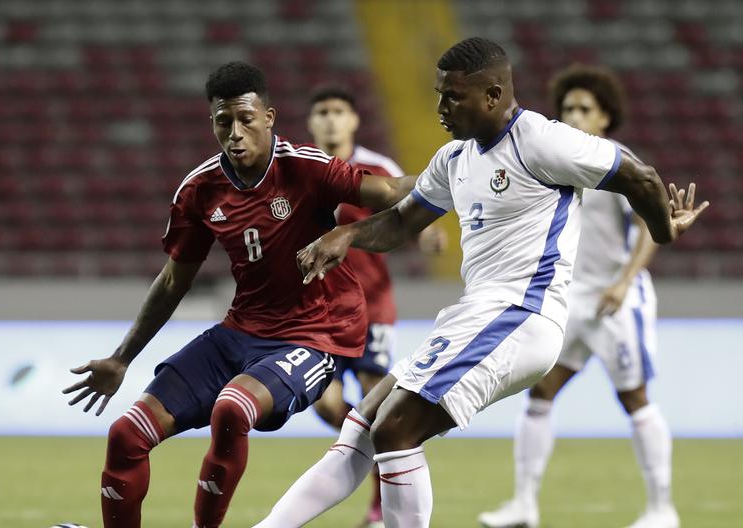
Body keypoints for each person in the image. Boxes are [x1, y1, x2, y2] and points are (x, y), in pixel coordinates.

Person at [253, 37, 707, 528]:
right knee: (363, 424)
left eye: (454, 96)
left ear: (493, 96)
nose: (442, 107)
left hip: (523, 315)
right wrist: (345, 234)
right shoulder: (456, 159)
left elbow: (637, 176)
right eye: (439, 95)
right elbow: (401, 223)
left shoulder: (540, 139)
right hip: (476, 314)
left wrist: (665, 229)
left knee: (397, 430)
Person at [62, 61, 417, 528]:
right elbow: (173, 281)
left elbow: (391, 189)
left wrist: (460, 169)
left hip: (316, 332)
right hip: (241, 330)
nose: (235, 132)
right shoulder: (199, 190)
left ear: (268, 118)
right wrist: (121, 358)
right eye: (222, 121)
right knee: (126, 434)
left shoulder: (305, 168)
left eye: (246, 119)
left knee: (233, 407)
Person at [478, 64, 678, 528]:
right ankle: (524, 504)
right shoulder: (554, 159)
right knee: (541, 392)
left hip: (616, 298)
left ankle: (661, 509)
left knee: (635, 399)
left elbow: (654, 222)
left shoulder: (616, 160)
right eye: (567, 107)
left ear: (605, 117)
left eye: (584, 108)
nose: (572, 115)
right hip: (569, 299)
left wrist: (625, 281)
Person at [306, 85, 447, 528]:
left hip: (371, 309)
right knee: (327, 406)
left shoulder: (378, 168)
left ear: (353, 121)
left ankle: (377, 505)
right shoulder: (299, 168)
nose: (330, 120)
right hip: (317, 313)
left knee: (376, 403)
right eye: (322, 112)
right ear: (312, 122)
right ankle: (371, 450)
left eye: (338, 112)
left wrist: (427, 237)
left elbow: (411, 207)